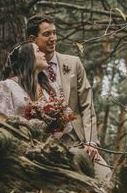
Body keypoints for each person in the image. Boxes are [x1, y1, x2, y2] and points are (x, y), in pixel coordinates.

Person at [0, 41, 96, 178]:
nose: (43, 54)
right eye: (38, 51)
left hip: (49, 154)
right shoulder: (7, 86)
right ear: (28, 58)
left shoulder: (50, 87)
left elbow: (65, 123)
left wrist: (53, 132)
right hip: (18, 153)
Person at [26, 14, 110, 181]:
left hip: (82, 143)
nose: (53, 38)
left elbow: (87, 105)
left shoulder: (73, 63)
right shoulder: (27, 73)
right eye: (47, 34)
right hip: (50, 148)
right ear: (32, 39)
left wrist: (91, 142)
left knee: (107, 178)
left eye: (55, 33)